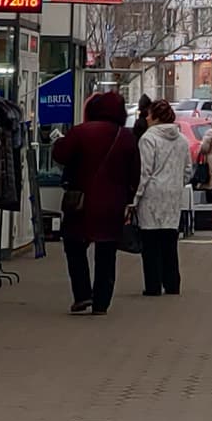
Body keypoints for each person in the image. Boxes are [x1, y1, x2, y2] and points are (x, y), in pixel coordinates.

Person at [54, 90, 137, 314]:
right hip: (113, 205)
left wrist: (59, 142)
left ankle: (82, 294)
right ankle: (101, 302)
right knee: (107, 253)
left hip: (81, 201)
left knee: (74, 246)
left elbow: (60, 155)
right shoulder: (125, 136)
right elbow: (134, 173)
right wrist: (128, 200)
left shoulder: (81, 132)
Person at [133, 98, 189, 294]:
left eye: (149, 114)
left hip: (152, 196)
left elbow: (144, 171)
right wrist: (177, 184)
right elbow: (187, 170)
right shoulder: (182, 140)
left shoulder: (148, 139)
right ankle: (172, 284)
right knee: (169, 242)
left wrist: (135, 199)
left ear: (156, 117)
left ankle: (153, 285)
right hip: (173, 195)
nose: (146, 118)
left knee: (150, 243)